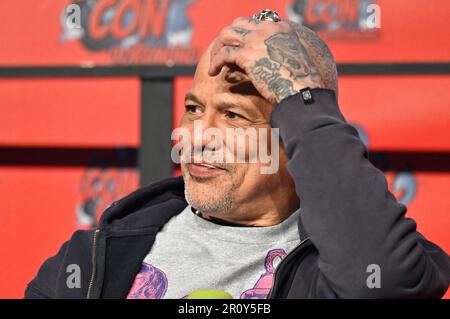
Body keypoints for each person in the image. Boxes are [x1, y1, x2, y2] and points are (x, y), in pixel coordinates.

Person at [25, 13, 449, 299]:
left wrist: (301, 97)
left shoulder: (334, 268)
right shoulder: (95, 254)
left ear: (294, 137)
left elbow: (384, 280)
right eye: (193, 109)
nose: (198, 136)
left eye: (232, 115)